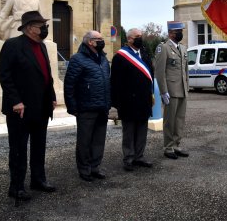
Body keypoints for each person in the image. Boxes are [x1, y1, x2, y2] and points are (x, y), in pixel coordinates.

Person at [0, 10, 57, 202]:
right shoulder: (13, 45)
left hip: (41, 107)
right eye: (42, 26)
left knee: (39, 146)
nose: (45, 29)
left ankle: (38, 180)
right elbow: (5, 76)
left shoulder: (42, 46)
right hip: (20, 109)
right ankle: (16, 187)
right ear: (30, 28)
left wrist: (52, 97)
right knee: (18, 149)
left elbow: (47, 75)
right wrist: (15, 101)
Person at [64, 30, 111, 182]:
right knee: (84, 141)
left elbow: (107, 82)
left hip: (102, 106)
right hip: (86, 107)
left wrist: (109, 102)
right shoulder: (78, 59)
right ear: (90, 41)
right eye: (99, 39)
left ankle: (95, 166)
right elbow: (69, 85)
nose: (102, 41)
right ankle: (84, 169)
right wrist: (72, 107)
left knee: (98, 139)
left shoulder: (103, 59)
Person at [111, 28, 154, 171]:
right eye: (137, 36)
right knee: (129, 132)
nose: (140, 39)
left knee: (142, 130)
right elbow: (115, 82)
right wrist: (116, 103)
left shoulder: (145, 54)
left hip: (143, 99)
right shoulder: (120, 56)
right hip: (128, 101)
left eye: (141, 36)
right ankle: (128, 158)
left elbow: (150, 76)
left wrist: (151, 94)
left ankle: (139, 156)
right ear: (129, 39)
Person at [154, 21, 189, 160]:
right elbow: (160, 71)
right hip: (171, 90)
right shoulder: (163, 48)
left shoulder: (183, 48)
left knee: (180, 119)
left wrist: (187, 87)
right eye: (177, 32)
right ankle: (168, 147)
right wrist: (163, 91)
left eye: (181, 31)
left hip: (182, 89)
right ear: (170, 33)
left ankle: (176, 145)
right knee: (170, 120)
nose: (180, 34)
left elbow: (186, 71)